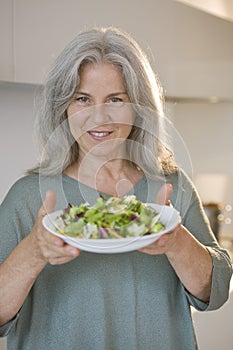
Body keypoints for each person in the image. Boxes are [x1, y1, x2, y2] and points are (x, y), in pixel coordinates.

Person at [0, 26, 232, 350]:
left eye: (115, 99)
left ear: (138, 107)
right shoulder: (28, 197)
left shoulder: (172, 188)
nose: (99, 116)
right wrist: (35, 250)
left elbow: (216, 292)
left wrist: (174, 239)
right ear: (63, 108)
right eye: (83, 99)